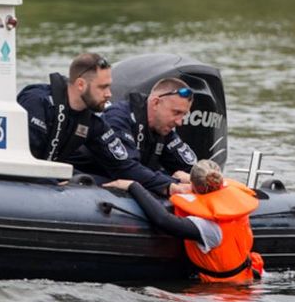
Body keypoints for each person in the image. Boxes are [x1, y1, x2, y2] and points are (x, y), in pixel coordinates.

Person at [17, 53, 187, 196]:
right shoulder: (37, 101)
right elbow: (24, 160)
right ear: (81, 85)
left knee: (102, 184)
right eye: (103, 87)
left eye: (109, 87)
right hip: (17, 185)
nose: (109, 94)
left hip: (50, 181)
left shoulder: (93, 122)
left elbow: (123, 164)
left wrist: (170, 185)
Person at [105, 159, 264, 284]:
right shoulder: (234, 202)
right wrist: (192, 181)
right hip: (247, 277)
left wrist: (134, 186)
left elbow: (163, 220)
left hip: (223, 290)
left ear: (193, 187)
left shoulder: (208, 227)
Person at [102, 77, 198, 183]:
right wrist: (173, 183)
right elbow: (126, 169)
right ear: (156, 103)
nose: (179, 122)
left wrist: (203, 177)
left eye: (184, 115)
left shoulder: (163, 128)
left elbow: (191, 168)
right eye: (176, 113)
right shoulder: (118, 118)